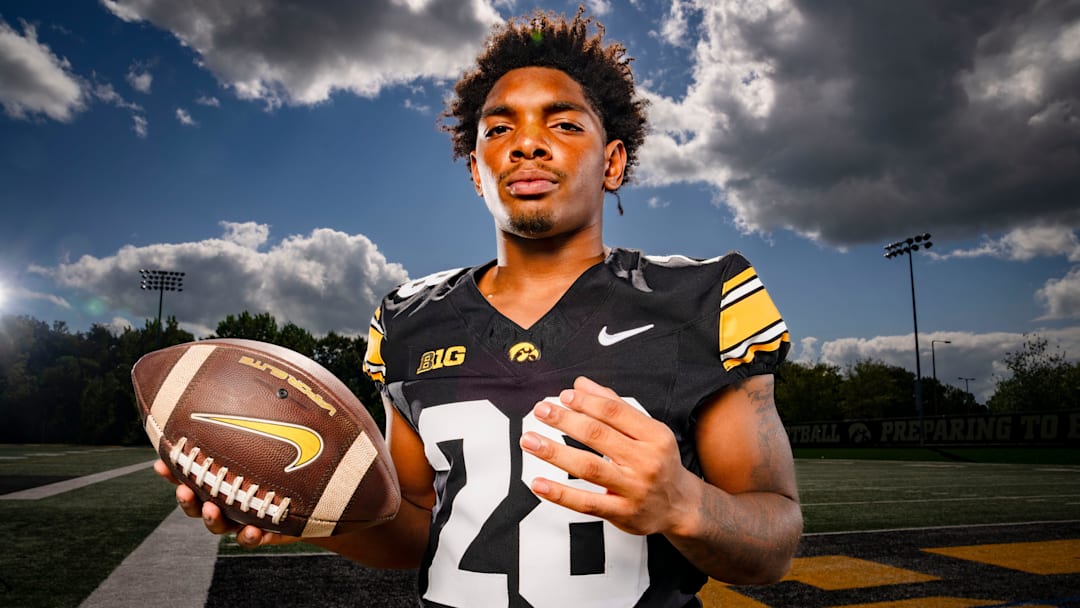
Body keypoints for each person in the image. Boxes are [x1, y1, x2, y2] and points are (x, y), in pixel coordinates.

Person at [159, 9, 803, 607]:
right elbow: (415, 527)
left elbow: (773, 540)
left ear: (613, 161)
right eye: (500, 128)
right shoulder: (409, 319)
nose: (527, 143)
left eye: (563, 122)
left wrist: (684, 503)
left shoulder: (703, 297)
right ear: (476, 168)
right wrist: (305, 509)